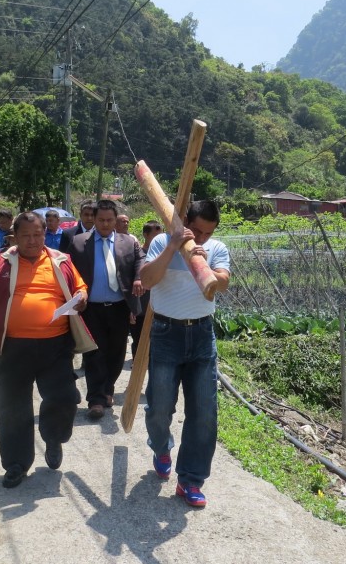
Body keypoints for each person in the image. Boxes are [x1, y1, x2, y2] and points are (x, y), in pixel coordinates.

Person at [0, 212, 87, 488]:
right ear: (15, 237)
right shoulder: (2, 265)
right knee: (11, 406)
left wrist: (81, 299)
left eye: (37, 234)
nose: (32, 240)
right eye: (26, 235)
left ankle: (53, 437)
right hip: (14, 347)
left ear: (45, 234)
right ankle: (16, 464)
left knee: (65, 397)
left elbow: (80, 288)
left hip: (55, 345)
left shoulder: (60, 261)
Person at [139, 200, 230, 508]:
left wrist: (205, 268)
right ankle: (162, 446)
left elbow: (223, 283)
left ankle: (190, 480)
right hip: (166, 334)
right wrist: (173, 248)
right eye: (198, 231)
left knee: (204, 412)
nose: (202, 238)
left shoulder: (215, 248)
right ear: (185, 223)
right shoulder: (161, 242)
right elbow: (148, 280)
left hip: (202, 336)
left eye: (209, 232)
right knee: (160, 407)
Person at [67, 200, 143, 420]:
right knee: (94, 353)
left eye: (109, 220)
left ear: (116, 220)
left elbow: (139, 261)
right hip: (91, 308)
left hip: (119, 307)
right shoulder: (79, 243)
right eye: (101, 220)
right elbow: (69, 271)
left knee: (117, 352)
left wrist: (138, 278)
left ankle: (108, 389)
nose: (105, 224)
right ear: (94, 219)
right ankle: (96, 399)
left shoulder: (128, 242)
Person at [129, 220, 163, 356]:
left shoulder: (164, 257)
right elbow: (128, 284)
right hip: (140, 308)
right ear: (145, 235)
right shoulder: (137, 256)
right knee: (138, 339)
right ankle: (137, 366)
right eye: (155, 237)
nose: (159, 240)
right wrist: (131, 308)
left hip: (158, 307)